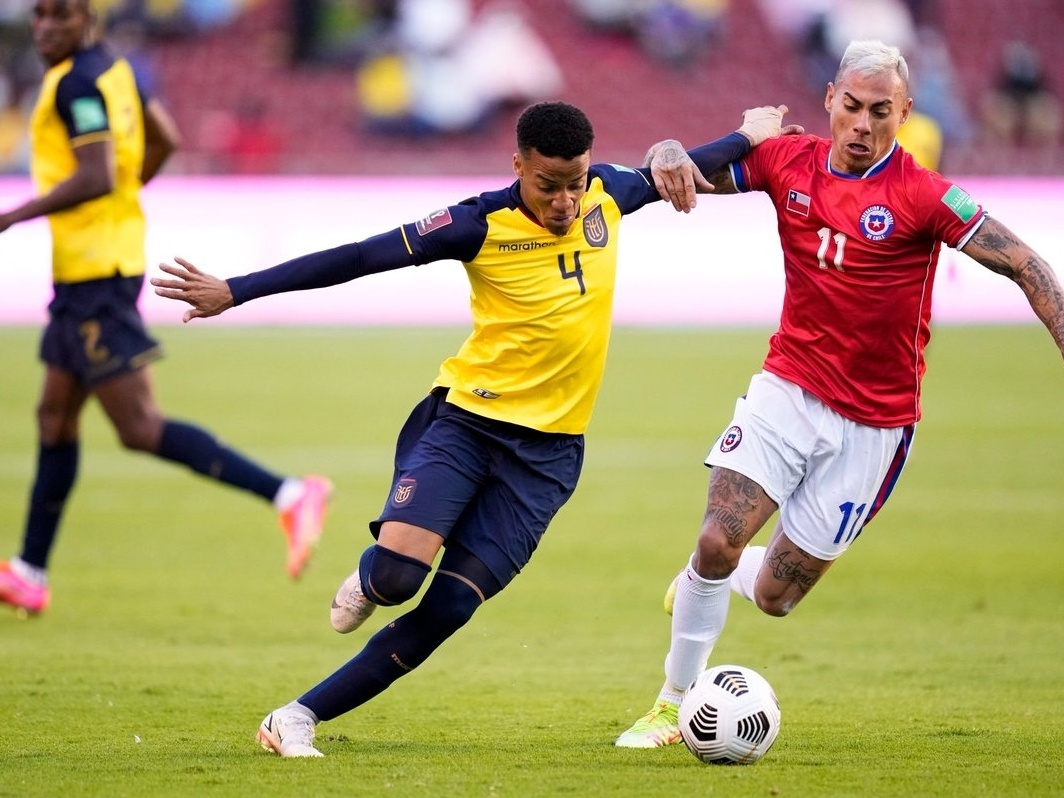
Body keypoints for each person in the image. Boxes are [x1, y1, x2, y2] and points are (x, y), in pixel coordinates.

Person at [150, 100, 794, 757]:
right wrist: (237, 289)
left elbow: (688, 165)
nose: (567, 202)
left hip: (545, 461)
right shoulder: (474, 223)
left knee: (451, 608)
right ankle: (372, 578)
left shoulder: (609, 194)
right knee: (399, 580)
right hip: (467, 425)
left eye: (575, 183)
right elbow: (360, 256)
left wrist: (749, 134)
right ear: (517, 166)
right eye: (548, 186)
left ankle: (294, 717)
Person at [615, 38, 1064, 748]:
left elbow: (1026, 264)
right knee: (716, 537)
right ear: (829, 99)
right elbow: (683, 171)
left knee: (774, 598)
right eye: (851, 107)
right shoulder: (785, 161)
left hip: (875, 427)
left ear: (905, 112)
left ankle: (721, 579)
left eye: (880, 112)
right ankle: (672, 704)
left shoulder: (922, 194)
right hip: (787, 388)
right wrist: (669, 146)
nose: (861, 125)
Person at [0, 0, 332, 617]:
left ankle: (290, 494)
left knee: (139, 427)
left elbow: (98, 173)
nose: (45, 28)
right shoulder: (115, 69)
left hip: (97, 274)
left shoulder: (75, 83)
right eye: (39, 16)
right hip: (92, 269)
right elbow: (166, 138)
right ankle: (30, 570)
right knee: (54, 416)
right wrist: (124, 199)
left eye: (60, 17)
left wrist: (13, 215)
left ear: (87, 19)